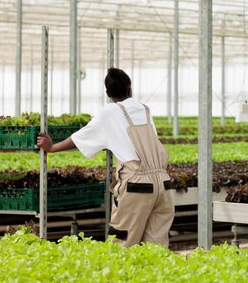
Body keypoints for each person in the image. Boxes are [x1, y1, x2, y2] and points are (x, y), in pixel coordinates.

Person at [37, 68, 174, 247]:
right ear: (129, 88)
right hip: (163, 183)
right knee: (157, 244)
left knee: (123, 243)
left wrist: (52, 147)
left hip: (138, 186)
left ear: (108, 93)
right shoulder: (144, 109)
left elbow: (80, 137)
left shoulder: (108, 112)